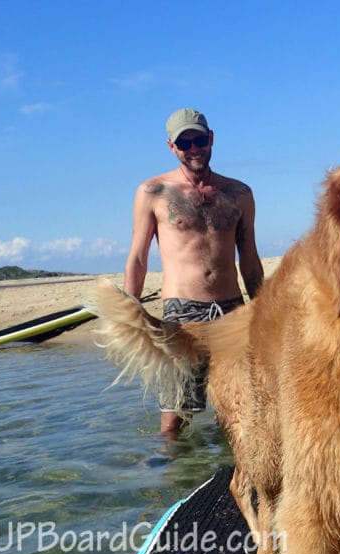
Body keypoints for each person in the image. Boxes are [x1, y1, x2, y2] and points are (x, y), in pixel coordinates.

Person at [124, 108, 264, 439]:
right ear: (172, 147)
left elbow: (250, 257)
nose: (194, 148)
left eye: (199, 139)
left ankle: (227, 478)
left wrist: (263, 308)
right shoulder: (152, 192)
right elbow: (138, 258)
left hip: (233, 311)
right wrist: (131, 309)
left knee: (237, 411)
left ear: (211, 138)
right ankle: (174, 477)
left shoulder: (239, 194)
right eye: (184, 143)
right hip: (182, 313)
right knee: (175, 419)